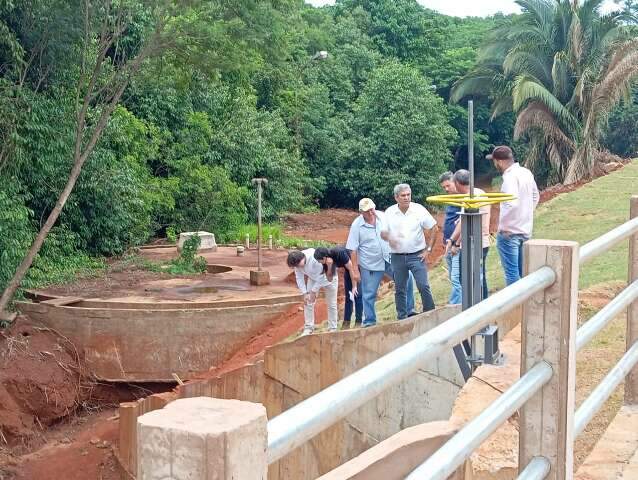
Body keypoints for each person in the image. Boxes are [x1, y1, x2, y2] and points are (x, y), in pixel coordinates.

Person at [345, 198, 416, 327]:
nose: (371, 212)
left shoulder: (383, 217)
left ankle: (409, 311)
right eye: (367, 211)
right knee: (369, 293)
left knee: (408, 279)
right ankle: (370, 322)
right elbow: (353, 249)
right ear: (361, 212)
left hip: (389, 258)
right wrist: (355, 271)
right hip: (370, 264)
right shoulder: (357, 225)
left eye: (372, 209)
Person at [382, 184, 438, 319]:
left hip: (416, 255)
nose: (406, 197)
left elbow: (434, 228)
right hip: (397, 256)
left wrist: (428, 250)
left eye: (408, 194)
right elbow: (383, 233)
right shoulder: (389, 212)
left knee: (423, 285)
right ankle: (402, 317)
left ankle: (430, 313)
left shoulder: (418, 210)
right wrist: (391, 238)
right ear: (396, 197)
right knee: (400, 289)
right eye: (403, 195)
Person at [487, 146, 539, 285]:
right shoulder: (526, 172)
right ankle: (523, 304)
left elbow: (511, 203)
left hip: (509, 233)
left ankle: (515, 305)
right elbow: (536, 196)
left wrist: (502, 226)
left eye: (494, 161)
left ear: (499, 161)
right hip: (526, 230)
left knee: (512, 274)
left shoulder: (509, 177)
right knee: (523, 272)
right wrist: (526, 213)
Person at [447, 169, 491, 300]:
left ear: (457, 183)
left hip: (473, 242)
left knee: (467, 277)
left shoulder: (469, 197)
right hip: (483, 241)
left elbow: (466, 223)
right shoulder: (480, 192)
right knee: (479, 275)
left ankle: (475, 305)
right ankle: (482, 304)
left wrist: (455, 242)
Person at [287, 248, 338, 335]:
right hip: (313, 278)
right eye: (296, 266)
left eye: (299, 265)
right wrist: (305, 293)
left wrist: (313, 291)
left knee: (331, 303)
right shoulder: (297, 264)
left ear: (302, 258)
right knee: (308, 302)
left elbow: (323, 276)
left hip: (328, 277)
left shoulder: (314, 258)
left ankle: (332, 327)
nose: (299, 267)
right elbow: (299, 278)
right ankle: (309, 327)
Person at [313, 246, 363, 329]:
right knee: (348, 296)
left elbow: (351, 269)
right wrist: (329, 266)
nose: (319, 262)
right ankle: (346, 322)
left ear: (324, 257)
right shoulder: (325, 263)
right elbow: (329, 279)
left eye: (319, 260)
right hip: (347, 270)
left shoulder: (339, 253)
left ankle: (358, 321)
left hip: (355, 267)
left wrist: (354, 287)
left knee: (357, 294)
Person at [439, 172, 462, 305]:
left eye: (448, 185)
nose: (446, 189)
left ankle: (454, 306)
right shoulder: (450, 199)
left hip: (456, 245)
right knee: (453, 277)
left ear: (455, 182)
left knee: (456, 278)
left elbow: (462, 222)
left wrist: (455, 244)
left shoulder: (462, 198)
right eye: (444, 188)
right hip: (448, 243)